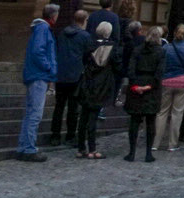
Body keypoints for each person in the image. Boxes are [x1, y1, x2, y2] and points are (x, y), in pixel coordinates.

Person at [16, 3, 58, 162]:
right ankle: (28, 148)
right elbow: (38, 51)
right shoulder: (43, 29)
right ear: (53, 16)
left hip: (36, 74)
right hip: (39, 75)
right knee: (35, 114)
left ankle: (23, 146)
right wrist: (49, 68)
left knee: (31, 113)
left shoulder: (41, 28)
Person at [75, 21, 119, 159]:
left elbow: (84, 60)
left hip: (88, 81)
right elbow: (117, 65)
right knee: (93, 117)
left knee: (83, 116)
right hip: (102, 83)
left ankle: (81, 148)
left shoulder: (90, 45)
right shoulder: (112, 47)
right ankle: (92, 149)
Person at [48, 9, 92, 146]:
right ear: (84, 21)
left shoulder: (62, 33)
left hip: (61, 74)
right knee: (73, 108)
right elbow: (88, 55)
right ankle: (70, 135)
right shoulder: (85, 36)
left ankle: (55, 135)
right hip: (76, 75)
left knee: (59, 107)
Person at [157, 22, 184, 152]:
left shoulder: (166, 48)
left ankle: (156, 142)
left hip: (166, 81)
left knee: (162, 112)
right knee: (177, 113)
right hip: (183, 82)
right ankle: (172, 143)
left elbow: (161, 65)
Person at [123, 24, 164, 162]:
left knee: (134, 121)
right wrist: (149, 86)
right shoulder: (161, 52)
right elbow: (159, 73)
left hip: (137, 85)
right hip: (152, 88)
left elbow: (131, 69)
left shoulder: (137, 50)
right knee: (151, 121)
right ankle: (148, 153)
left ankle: (132, 152)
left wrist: (135, 85)